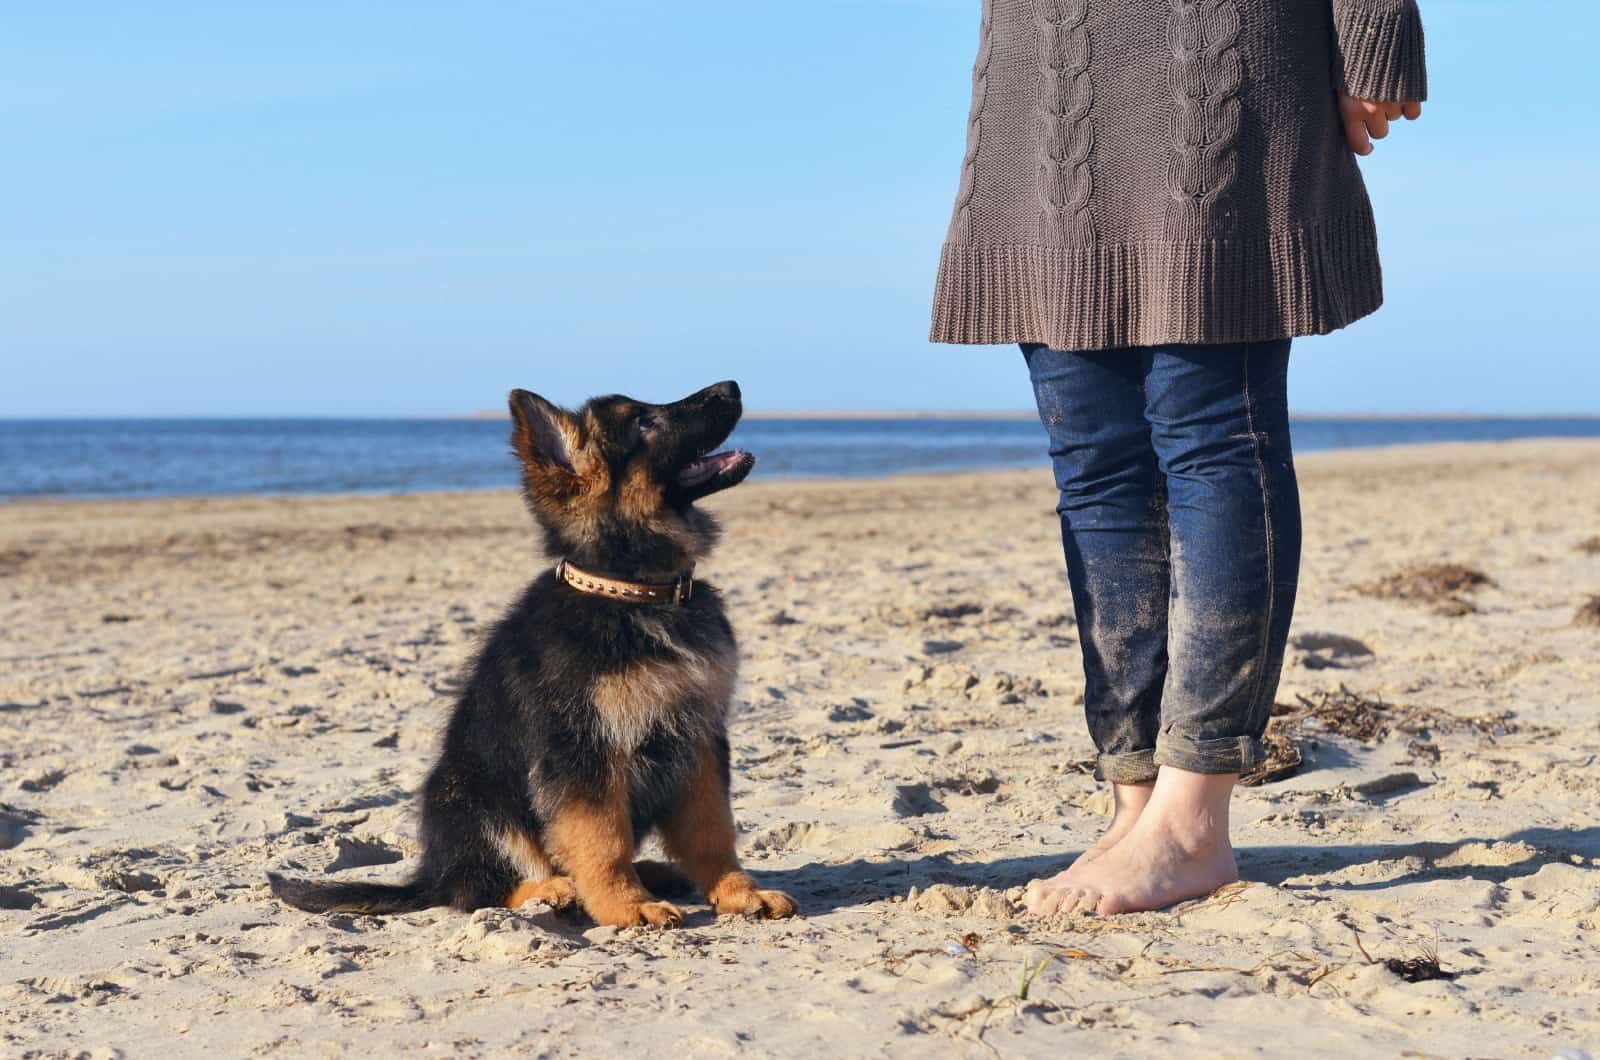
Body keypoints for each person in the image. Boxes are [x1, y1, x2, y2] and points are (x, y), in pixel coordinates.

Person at [929, 0, 1427, 915]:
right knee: (1091, 456)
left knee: (1210, 440)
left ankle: (1195, 813)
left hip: (1214, 57)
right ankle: (1135, 797)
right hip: (1041, 73)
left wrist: (1373, 38)